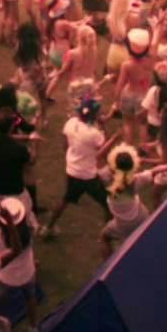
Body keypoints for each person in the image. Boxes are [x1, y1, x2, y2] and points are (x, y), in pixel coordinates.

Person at [47, 98, 111, 237]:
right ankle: (109, 233)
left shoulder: (70, 123)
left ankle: (48, 227)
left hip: (72, 171)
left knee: (66, 200)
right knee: (108, 202)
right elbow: (104, 149)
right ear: (93, 115)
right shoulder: (94, 133)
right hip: (88, 176)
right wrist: (104, 126)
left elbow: (65, 145)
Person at [0, 197, 42, 332]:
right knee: (30, 299)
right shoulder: (29, 229)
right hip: (28, 273)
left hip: (5, 278)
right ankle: (33, 330)